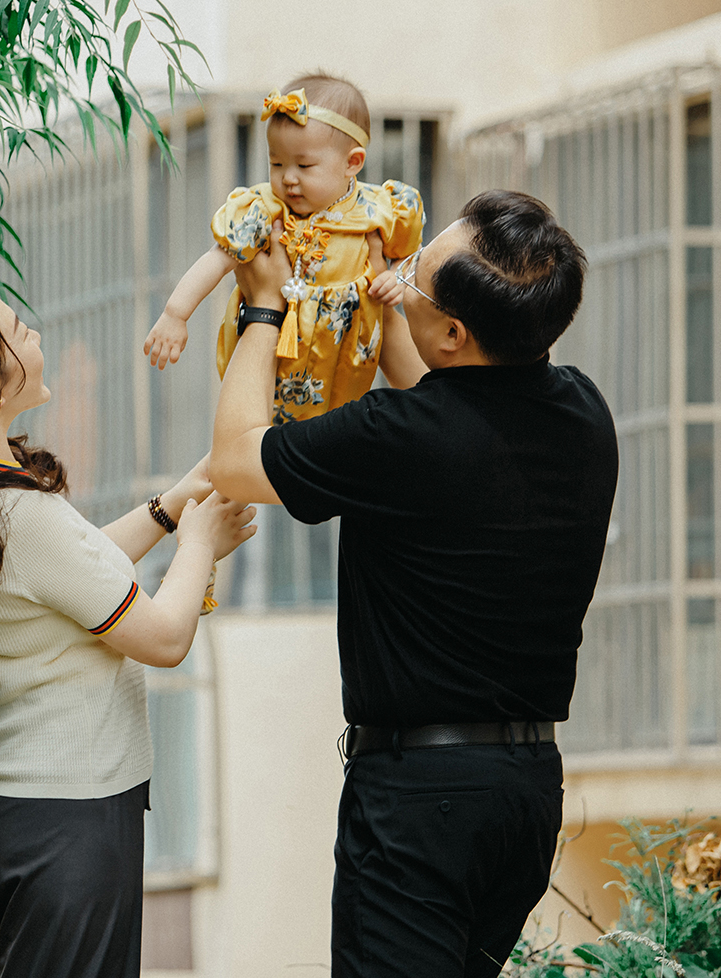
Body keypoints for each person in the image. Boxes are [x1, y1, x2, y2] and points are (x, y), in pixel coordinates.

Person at [208, 190, 618, 977]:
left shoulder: (401, 440)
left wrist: (263, 309)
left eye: (412, 279)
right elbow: (444, 401)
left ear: (456, 334)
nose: (399, 282)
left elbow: (235, 460)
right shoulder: (583, 413)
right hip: (525, 793)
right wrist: (392, 306)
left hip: (419, 799)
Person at [0, 278, 256, 978]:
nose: (36, 335)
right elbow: (164, 638)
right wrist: (198, 545)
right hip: (69, 819)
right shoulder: (24, 519)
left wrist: (173, 505)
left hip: (13, 810)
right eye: (20, 331)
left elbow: (74, 572)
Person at [142, 72, 425, 421]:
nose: (288, 177)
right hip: (273, 354)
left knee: (333, 425)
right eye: (276, 163)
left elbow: (412, 257)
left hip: (344, 363)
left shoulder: (378, 210)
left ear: (352, 162)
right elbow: (217, 259)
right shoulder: (265, 210)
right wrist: (175, 314)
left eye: (304, 165)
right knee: (259, 424)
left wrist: (395, 277)